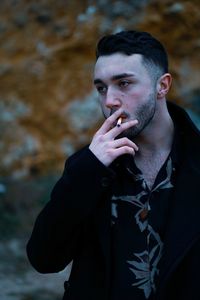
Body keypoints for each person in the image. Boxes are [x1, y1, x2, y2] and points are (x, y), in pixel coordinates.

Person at [26, 30, 200, 300]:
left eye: (124, 83)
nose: (109, 101)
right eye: (101, 87)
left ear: (162, 86)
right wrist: (88, 171)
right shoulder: (89, 167)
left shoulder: (194, 161)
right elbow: (44, 259)